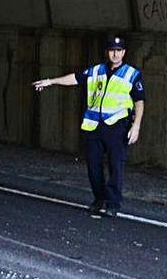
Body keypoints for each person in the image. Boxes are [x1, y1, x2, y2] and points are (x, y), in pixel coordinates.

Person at [32, 36, 145, 217]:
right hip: (94, 126)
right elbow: (75, 78)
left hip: (117, 126)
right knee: (93, 166)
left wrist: (136, 125)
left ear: (123, 52)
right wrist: (50, 81)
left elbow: (139, 101)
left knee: (116, 166)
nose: (115, 54)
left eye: (118, 50)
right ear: (107, 52)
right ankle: (99, 199)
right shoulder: (96, 70)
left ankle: (113, 204)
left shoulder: (132, 74)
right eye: (112, 50)